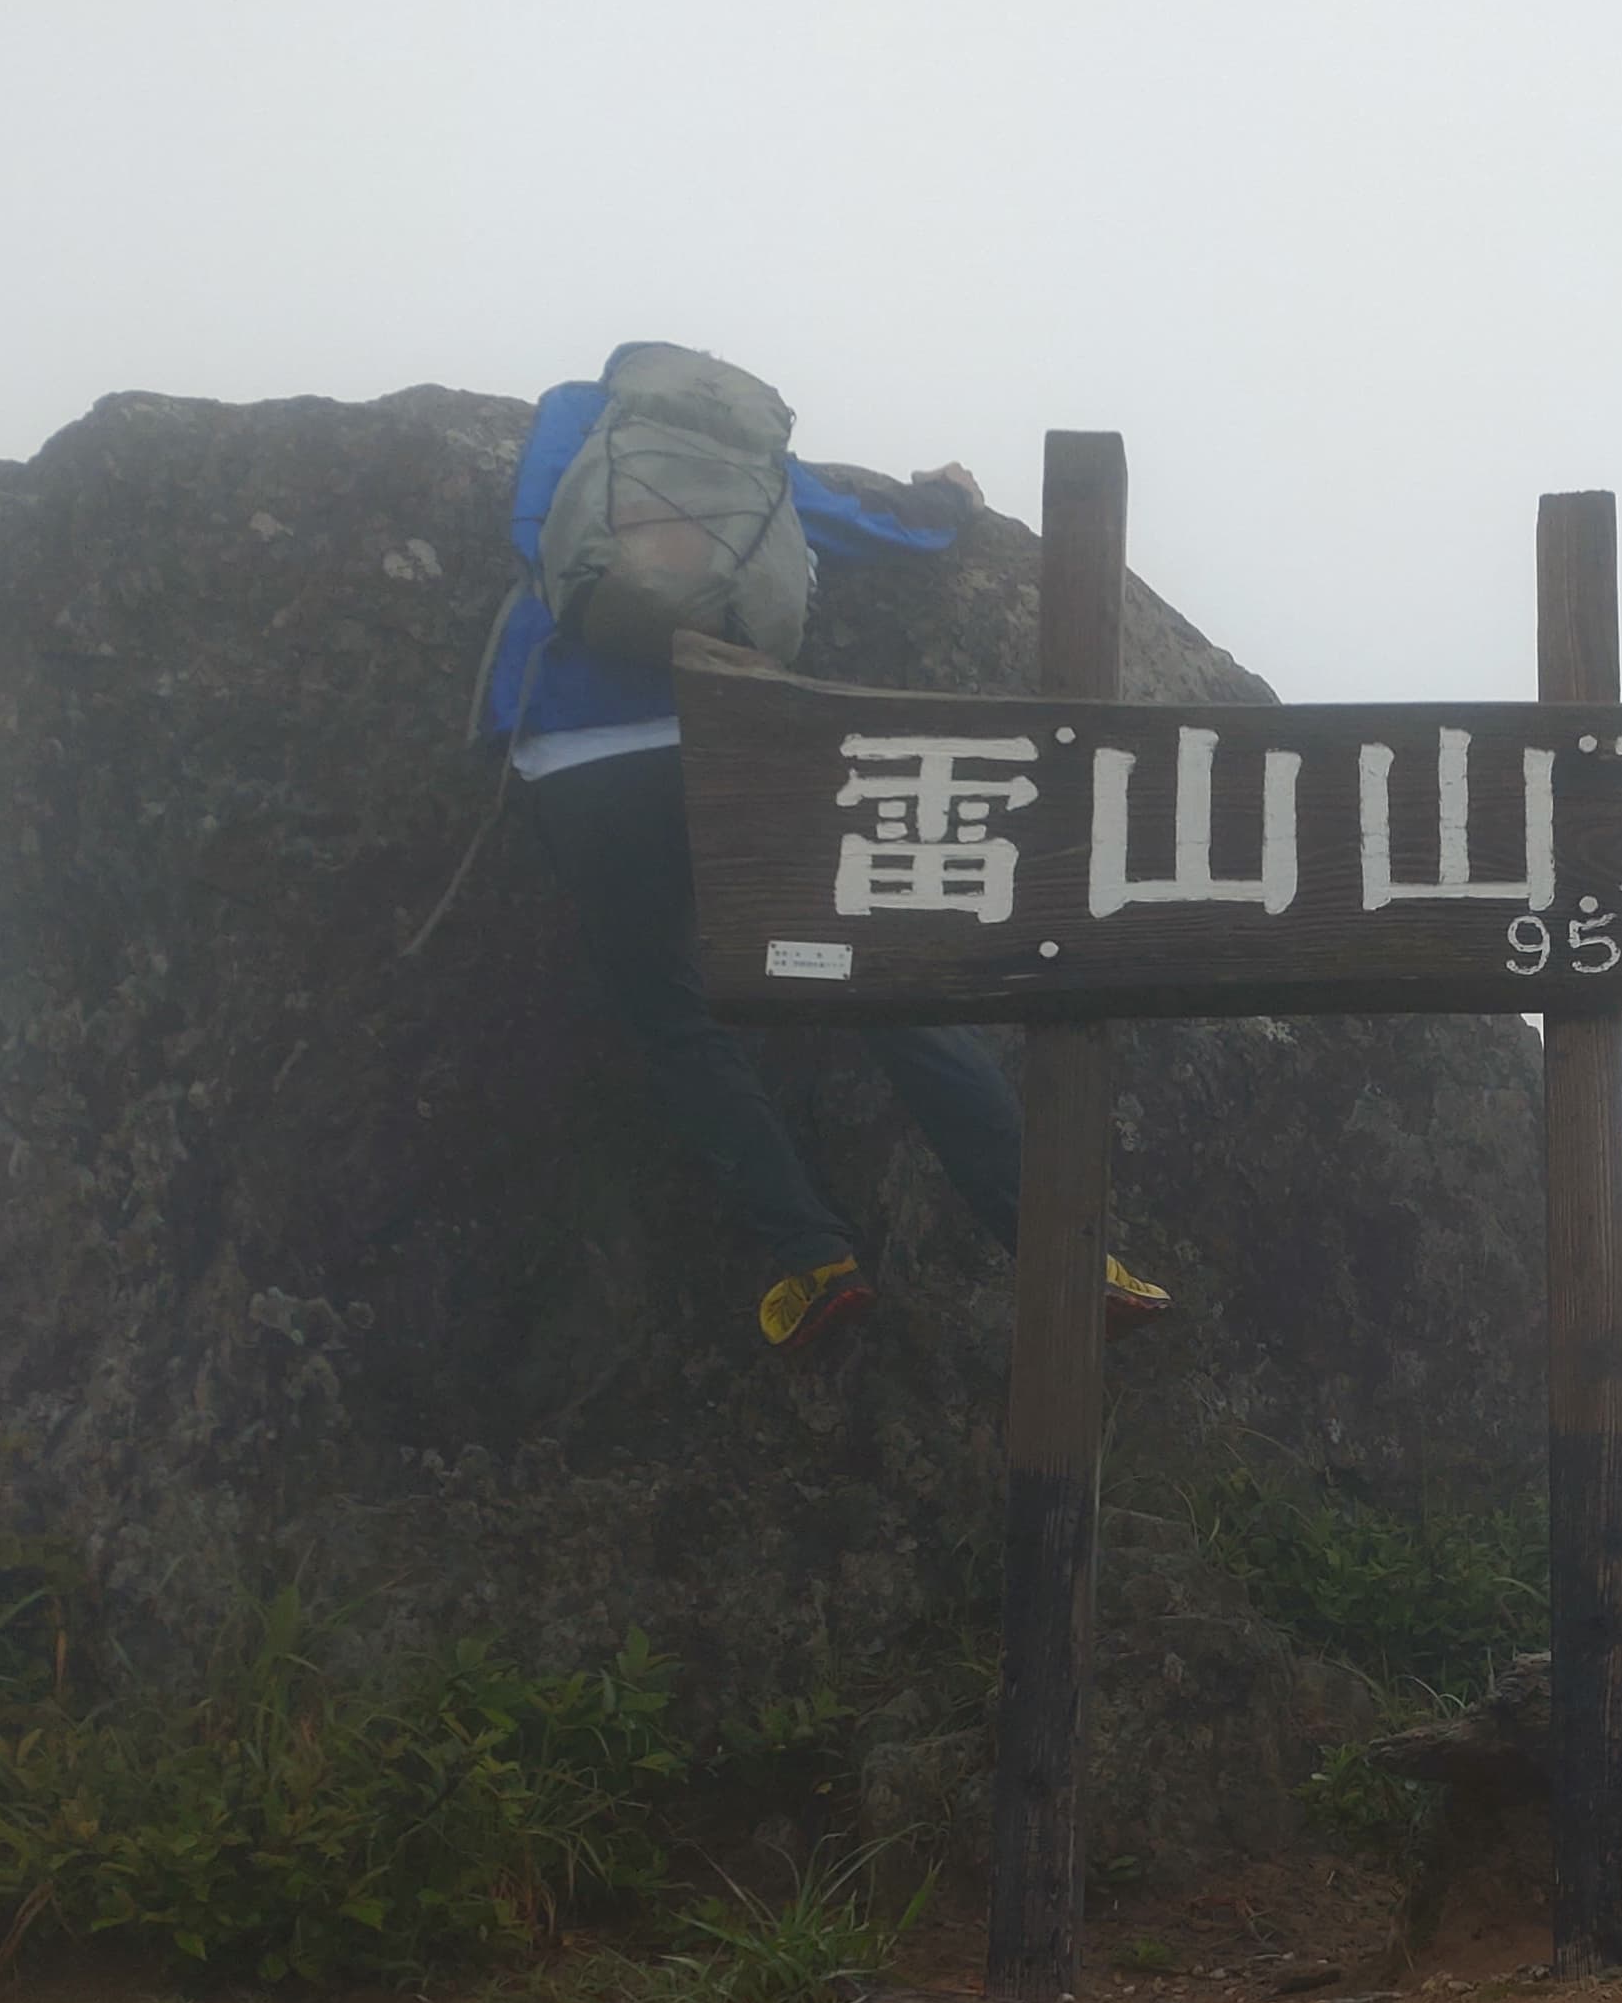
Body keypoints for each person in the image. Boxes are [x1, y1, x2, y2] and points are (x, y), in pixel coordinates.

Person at [478, 364, 1169, 1355]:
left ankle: (811, 1256)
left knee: (672, 1015)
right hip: (729, 741)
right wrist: (946, 503)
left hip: (572, 757)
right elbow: (889, 535)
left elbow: (532, 538)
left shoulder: (579, 424)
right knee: (883, 989)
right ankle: (1065, 1246)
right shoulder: (753, 458)